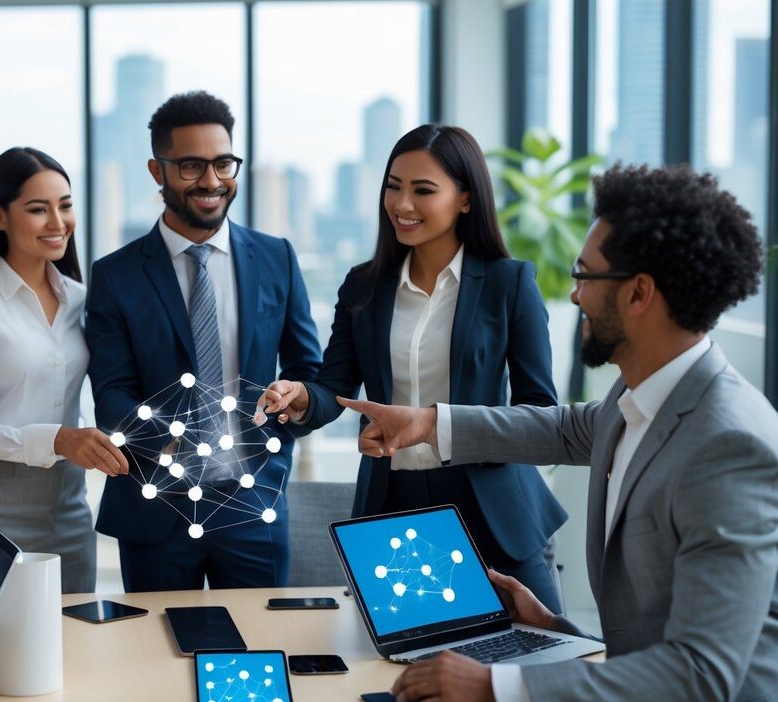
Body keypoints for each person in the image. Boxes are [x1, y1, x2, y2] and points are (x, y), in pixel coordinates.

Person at [341, 164, 778, 702]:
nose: (575, 297)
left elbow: (701, 675)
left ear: (639, 294)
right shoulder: (637, 397)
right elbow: (566, 429)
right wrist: (552, 625)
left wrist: (496, 685)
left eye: (585, 276)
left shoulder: (728, 447)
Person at [255, 124, 567, 612]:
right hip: (394, 503)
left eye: (423, 190)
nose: (402, 204)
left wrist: (443, 426)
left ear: (466, 199)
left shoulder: (509, 283)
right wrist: (299, 397)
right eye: (393, 186)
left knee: (539, 655)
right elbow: (333, 386)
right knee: (410, 669)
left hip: (491, 504)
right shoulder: (363, 286)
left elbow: (539, 412)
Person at [86, 91, 322, 592]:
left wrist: (297, 398)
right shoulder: (115, 275)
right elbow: (110, 393)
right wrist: (173, 439)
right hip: (158, 511)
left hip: (252, 505)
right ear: (158, 171)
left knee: (260, 656)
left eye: (223, 163)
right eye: (191, 166)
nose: (212, 181)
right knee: (157, 660)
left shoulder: (276, 257)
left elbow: (310, 371)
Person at [0, 147, 127, 594]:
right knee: (7, 653)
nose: (57, 222)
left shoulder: (85, 301)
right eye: (38, 209)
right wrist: (58, 439)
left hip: (71, 505)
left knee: (78, 646)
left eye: (65, 206)